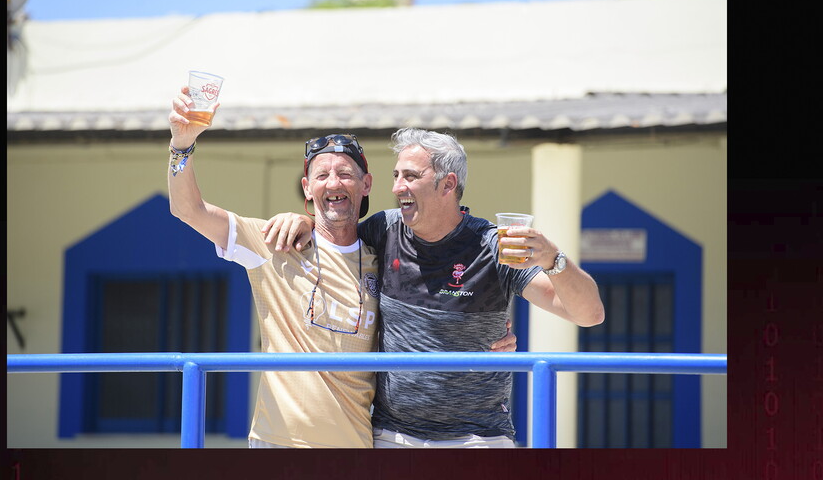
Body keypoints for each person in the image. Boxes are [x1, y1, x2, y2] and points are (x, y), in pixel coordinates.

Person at [166, 90, 516, 448]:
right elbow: (188, 209)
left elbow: (431, 306)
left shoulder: (382, 253)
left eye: (345, 174)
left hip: (359, 448)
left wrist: (488, 338)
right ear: (307, 188)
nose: (333, 183)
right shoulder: (273, 241)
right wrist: (181, 146)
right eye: (322, 175)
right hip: (280, 444)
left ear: (366, 185)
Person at [266, 127, 605, 448]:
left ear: (447, 184)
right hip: (393, 437)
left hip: (479, 438)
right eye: (396, 176)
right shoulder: (384, 230)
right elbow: (336, 231)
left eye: (411, 176)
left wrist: (553, 259)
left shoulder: (492, 247)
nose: (398, 187)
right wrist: (304, 220)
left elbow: (588, 314)